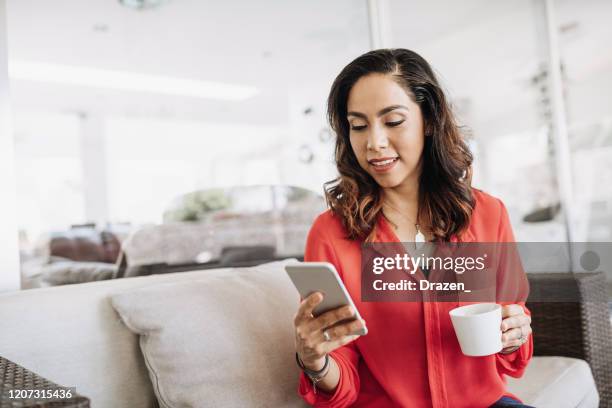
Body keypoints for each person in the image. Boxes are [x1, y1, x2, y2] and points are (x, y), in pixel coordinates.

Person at [292, 49, 533, 408]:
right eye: (358, 126)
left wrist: (515, 333)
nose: (374, 143)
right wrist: (315, 361)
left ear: (429, 120)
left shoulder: (487, 214)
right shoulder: (330, 234)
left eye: (392, 122)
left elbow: (511, 347)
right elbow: (342, 379)